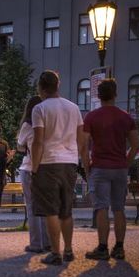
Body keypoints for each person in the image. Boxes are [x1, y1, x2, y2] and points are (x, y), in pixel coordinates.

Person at [30, 70, 86, 266]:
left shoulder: (40, 109)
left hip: (48, 163)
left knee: (51, 211)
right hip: (69, 163)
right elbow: (81, 139)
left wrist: (34, 168)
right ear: (58, 85)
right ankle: (69, 250)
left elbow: (38, 141)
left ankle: (56, 253)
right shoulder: (74, 108)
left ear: (41, 88)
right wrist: (75, 157)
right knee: (66, 210)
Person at [80, 79, 139, 260]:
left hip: (99, 167)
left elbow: (83, 146)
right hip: (119, 168)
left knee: (102, 208)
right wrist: (126, 163)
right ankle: (119, 248)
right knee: (119, 208)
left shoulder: (91, 117)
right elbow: (135, 145)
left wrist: (87, 168)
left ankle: (103, 248)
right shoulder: (126, 117)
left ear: (98, 95)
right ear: (115, 94)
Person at [16, 95, 50, 253]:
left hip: (29, 167)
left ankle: (36, 243)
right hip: (46, 167)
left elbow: (20, 146)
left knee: (32, 207)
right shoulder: (48, 123)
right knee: (45, 206)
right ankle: (48, 242)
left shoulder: (27, 125)